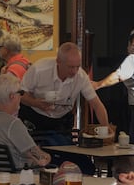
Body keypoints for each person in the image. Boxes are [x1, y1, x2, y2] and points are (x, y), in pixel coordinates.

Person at [19, 42, 111, 174]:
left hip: (61, 122)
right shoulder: (39, 69)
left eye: (77, 66)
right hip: (35, 119)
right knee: (53, 157)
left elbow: (97, 104)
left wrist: (106, 130)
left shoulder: (81, 76)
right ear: (58, 62)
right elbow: (21, 95)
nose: (74, 71)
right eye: (70, 67)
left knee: (80, 162)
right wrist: (36, 103)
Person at [0, 73, 51, 170]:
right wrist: (48, 156)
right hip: (21, 176)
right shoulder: (13, 124)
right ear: (12, 96)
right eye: (21, 93)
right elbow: (40, 157)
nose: (21, 97)